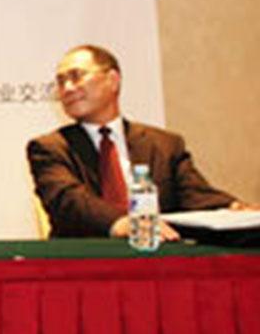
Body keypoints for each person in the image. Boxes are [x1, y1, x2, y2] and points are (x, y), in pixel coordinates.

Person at [27, 44, 253, 239]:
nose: (67, 88)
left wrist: (234, 208)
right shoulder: (49, 148)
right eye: (61, 82)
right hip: (86, 263)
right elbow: (70, 202)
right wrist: (123, 223)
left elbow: (194, 194)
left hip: (158, 261)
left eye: (76, 76)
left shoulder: (165, 144)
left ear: (112, 80)